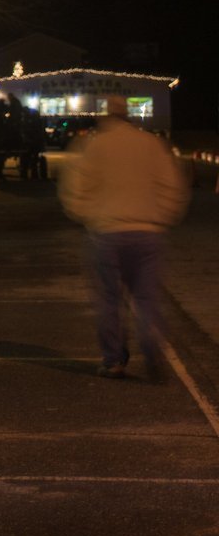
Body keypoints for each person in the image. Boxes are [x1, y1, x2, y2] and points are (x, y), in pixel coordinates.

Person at [60, 95, 189, 381]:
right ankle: (152, 347)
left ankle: (114, 359)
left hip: (106, 231)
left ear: (106, 115)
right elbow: (172, 185)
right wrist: (162, 216)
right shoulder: (151, 144)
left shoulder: (94, 145)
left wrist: (87, 215)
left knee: (109, 299)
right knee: (146, 296)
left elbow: (75, 187)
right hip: (148, 231)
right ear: (129, 115)